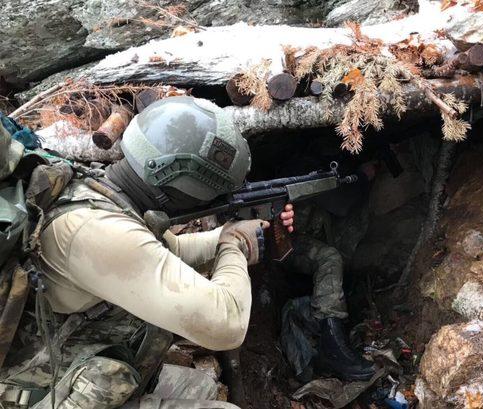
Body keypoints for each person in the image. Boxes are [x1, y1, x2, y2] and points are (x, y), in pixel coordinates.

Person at [0, 96, 294, 408]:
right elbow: (227, 324)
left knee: (200, 387)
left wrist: (230, 232)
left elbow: (173, 249)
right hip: (43, 396)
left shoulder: (100, 190)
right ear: (182, 188)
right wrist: (232, 247)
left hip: (88, 373)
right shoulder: (97, 231)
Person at [280, 156, 377, 382]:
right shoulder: (305, 168)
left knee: (339, 253)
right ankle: (332, 343)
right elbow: (339, 205)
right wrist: (363, 176)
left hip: (306, 238)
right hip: (289, 245)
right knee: (329, 257)